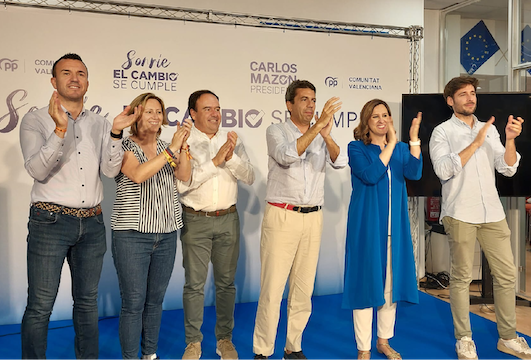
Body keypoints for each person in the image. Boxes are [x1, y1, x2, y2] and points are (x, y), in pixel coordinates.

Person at [19, 53, 138, 360]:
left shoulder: (100, 123)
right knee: (41, 304)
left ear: (87, 81)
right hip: (50, 222)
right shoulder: (35, 120)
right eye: (67, 73)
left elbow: (111, 172)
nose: (75, 78)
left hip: (93, 223)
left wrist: (115, 134)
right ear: (53, 81)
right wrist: (60, 129)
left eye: (81, 73)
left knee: (87, 302)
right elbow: (37, 170)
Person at [429, 76, 531, 360]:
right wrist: (475, 142)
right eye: (463, 94)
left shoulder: (489, 129)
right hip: (459, 212)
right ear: (450, 100)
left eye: (472, 93)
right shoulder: (441, 132)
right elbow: (443, 170)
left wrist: (511, 140)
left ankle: (508, 337)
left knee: (506, 275)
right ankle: (464, 339)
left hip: (492, 211)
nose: (470, 98)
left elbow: (507, 168)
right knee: (462, 277)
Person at [252, 80, 347, 360]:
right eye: (304, 99)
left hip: (313, 217)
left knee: (303, 289)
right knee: (272, 289)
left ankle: (293, 347)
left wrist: (326, 135)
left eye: (314, 100)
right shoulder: (276, 131)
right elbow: (285, 156)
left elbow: (340, 163)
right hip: (282, 215)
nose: (310, 105)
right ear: (289, 104)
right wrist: (317, 129)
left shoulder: (321, 134)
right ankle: (263, 351)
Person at [110, 92, 193, 360]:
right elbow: (137, 175)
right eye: (149, 111)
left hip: (167, 232)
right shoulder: (123, 146)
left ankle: (150, 354)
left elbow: (184, 175)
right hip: (132, 235)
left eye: (159, 112)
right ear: (135, 114)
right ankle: (131, 357)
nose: (156, 117)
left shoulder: (167, 146)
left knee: (155, 302)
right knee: (133, 303)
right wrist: (171, 150)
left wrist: (182, 149)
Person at [177, 90, 255, 360]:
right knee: (194, 286)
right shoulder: (183, 140)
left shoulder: (231, 139)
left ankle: (225, 340)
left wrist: (230, 157)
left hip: (228, 220)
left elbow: (250, 176)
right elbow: (183, 183)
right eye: (208, 109)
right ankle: (193, 342)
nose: (215, 114)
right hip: (195, 220)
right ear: (193, 113)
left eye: (218, 108)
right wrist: (215, 161)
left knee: (226, 284)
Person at [343, 99, 422, 360]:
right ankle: (363, 348)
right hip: (366, 228)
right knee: (367, 287)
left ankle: (383, 341)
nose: (381, 120)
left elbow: (415, 172)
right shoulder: (357, 148)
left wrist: (412, 141)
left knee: (390, 288)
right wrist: (390, 145)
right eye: (375, 116)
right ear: (367, 121)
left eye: (385, 115)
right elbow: (371, 174)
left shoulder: (398, 149)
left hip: (394, 230)